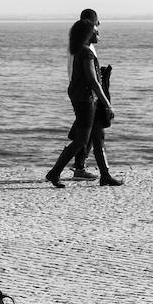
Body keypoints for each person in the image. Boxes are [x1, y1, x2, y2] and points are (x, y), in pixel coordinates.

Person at [46, 19, 124, 188]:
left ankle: (105, 176)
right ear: (88, 34)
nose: (98, 34)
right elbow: (93, 81)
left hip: (86, 100)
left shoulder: (81, 51)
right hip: (86, 101)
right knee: (81, 140)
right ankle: (54, 172)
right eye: (96, 31)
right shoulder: (86, 53)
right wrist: (108, 104)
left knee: (96, 136)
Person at [68, 8, 101, 179]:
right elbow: (90, 77)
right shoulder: (85, 49)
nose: (99, 26)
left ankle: (83, 166)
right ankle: (79, 166)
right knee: (86, 134)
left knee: (87, 131)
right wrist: (103, 98)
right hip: (85, 94)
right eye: (97, 22)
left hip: (81, 92)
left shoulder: (81, 45)